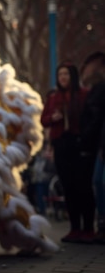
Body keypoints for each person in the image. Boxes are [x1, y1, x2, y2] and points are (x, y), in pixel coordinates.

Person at [41, 62, 93, 243]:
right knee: (68, 186)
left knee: (83, 186)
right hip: (61, 144)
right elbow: (43, 119)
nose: (63, 77)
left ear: (73, 76)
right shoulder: (54, 97)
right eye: (60, 74)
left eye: (66, 74)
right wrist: (52, 118)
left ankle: (87, 228)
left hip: (80, 143)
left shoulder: (84, 95)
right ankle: (74, 228)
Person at [79, 51, 105, 243]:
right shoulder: (98, 88)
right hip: (101, 145)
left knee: (99, 182)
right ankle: (101, 225)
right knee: (98, 182)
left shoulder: (99, 89)